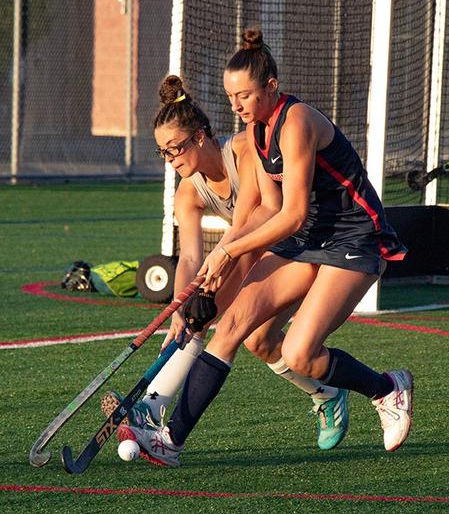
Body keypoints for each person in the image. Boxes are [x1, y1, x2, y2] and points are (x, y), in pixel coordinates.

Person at [119, 32, 414, 467]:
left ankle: (387, 388)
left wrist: (227, 253)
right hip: (305, 240)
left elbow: (291, 214)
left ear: (271, 86)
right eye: (230, 97)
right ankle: (171, 440)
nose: (236, 105)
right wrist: (215, 268)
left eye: (244, 95)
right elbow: (267, 210)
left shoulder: (296, 123)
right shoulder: (256, 129)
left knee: (299, 353)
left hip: (353, 237)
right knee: (233, 326)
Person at [103, 73, 350, 459]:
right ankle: (327, 393)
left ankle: (153, 407)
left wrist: (214, 276)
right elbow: (189, 257)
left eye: (175, 149)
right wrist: (178, 308)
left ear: (200, 137)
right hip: (251, 249)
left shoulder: (244, 151)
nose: (170, 160)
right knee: (256, 341)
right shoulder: (188, 192)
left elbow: (257, 217)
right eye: (163, 153)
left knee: (212, 319)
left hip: (298, 245)